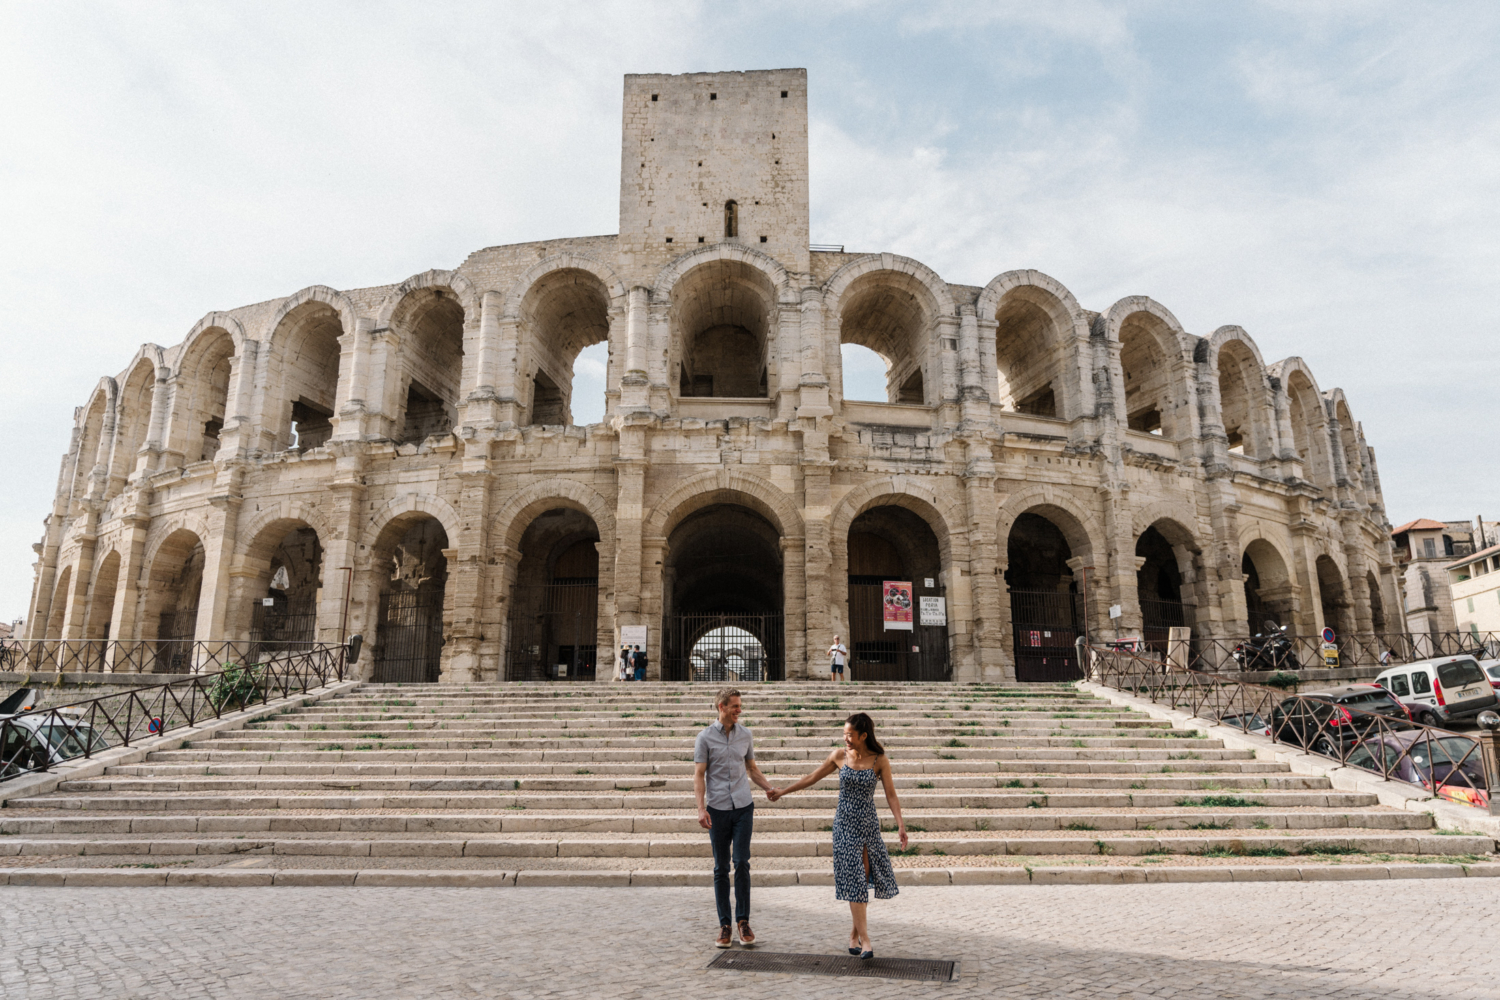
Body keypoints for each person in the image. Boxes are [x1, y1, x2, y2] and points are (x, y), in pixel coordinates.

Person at [768, 712, 905, 960]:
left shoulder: (880, 759)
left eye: (850, 735)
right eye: (844, 734)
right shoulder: (839, 756)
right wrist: (783, 791)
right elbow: (812, 777)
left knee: (861, 880)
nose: (846, 738)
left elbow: (891, 795)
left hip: (867, 825)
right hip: (844, 824)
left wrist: (900, 825)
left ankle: (853, 935)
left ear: (864, 735)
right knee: (854, 877)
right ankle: (866, 941)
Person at [695, 686, 776, 949]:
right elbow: (699, 775)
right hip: (717, 809)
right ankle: (725, 925)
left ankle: (743, 921)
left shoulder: (746, 735)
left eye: (740, 706)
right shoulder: (704, 738)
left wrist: (768, 788)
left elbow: (752, 768)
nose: (739, 710)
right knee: (721, 868)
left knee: (741, 862)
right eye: (735, 706)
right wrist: (700, 808)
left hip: (743, 806)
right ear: (722, 707)